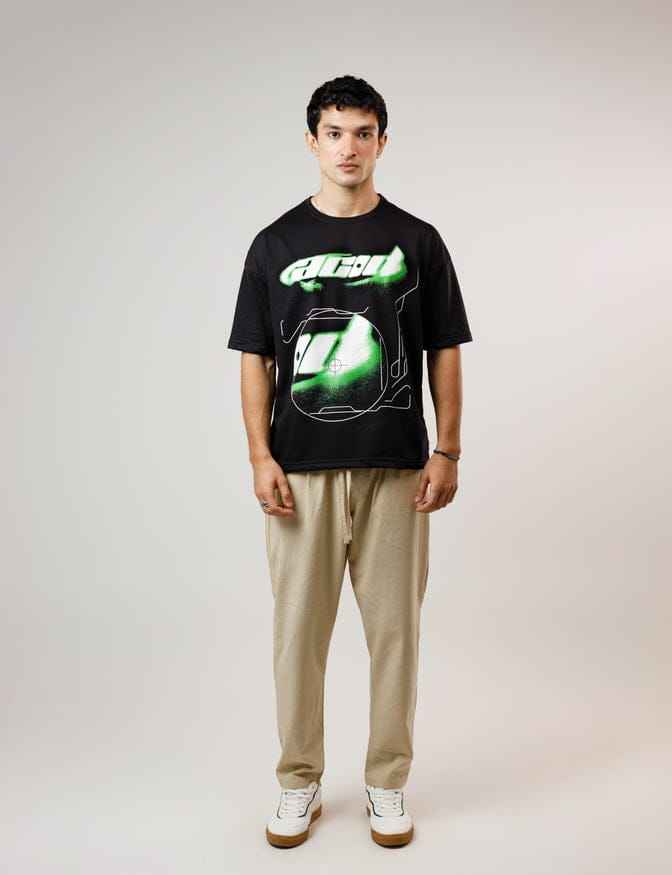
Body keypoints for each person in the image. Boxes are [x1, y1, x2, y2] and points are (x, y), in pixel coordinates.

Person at [227, 75, 473, 849]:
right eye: (334, 132)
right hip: (298, 471)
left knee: (395, 635)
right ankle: (298, 779)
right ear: (313, 141)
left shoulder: (418, 240)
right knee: (297, 636)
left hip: (396, 467)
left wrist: (448, 447)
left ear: (382, 142)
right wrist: (260, 454)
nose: (348, 148)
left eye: (363, 133)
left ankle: (387, 781)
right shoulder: (275, 244)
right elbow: (255, 356)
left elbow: (444, 348)